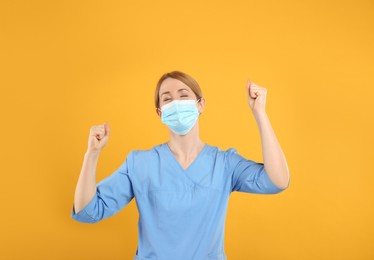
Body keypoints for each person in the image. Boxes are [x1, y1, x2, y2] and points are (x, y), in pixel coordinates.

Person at [71, 70, 290, 260]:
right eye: (166, 99)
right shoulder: (139, 164)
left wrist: (260, 113)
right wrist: (92, 154)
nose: (175, 103)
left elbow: (277, 181)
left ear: (200, 104)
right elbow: (88, 210)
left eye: (183, 95)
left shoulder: (224, 164)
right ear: (160, 113)